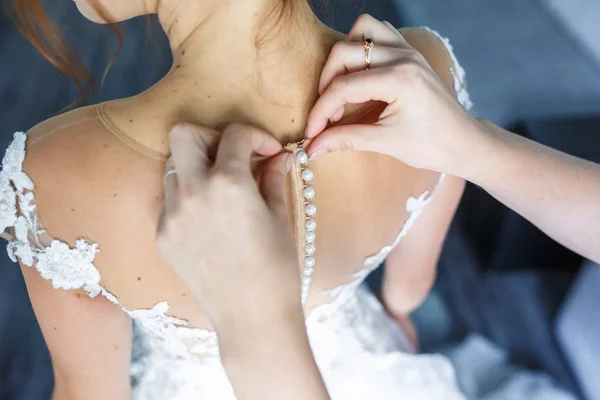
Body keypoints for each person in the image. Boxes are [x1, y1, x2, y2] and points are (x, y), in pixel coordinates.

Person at [3, 0, 472, 397]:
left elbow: (93, 394)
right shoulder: (424, 74)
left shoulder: (52, 174)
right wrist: (396, 315)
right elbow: (412, 283)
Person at [157, 21, 600, 399]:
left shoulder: (88, 172)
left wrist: (255, 324)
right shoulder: (429, 63)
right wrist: (473, 146)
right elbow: (412, 280)